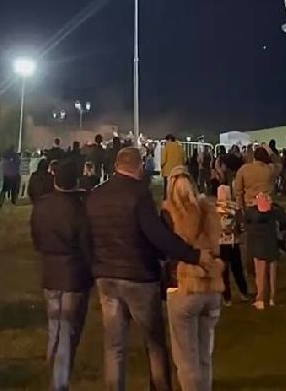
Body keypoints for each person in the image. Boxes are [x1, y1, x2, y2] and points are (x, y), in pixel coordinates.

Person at [87, 146, 213, 391]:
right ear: (138, 166)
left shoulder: (96, 195)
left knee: (114, 345)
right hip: (138, 278)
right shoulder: (138, 194)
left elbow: (87, 235)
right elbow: (157, 236)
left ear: (116, 165)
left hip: (106, 276)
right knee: (154, 343)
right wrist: (193, 255)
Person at [31, 159, 93, 390]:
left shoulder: (41, 206)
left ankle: (53, 367)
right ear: (75, 181)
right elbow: (87, 246)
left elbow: (36, 239)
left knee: (54, 327)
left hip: (50, 275)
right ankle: (58, 382)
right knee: (67, 331)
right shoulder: (80, 209)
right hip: (74, 278)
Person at [163, 168, 224, 391]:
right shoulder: (208, 209)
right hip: (212, 286)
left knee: (186, 360)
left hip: (185, 286)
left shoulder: (169, 212)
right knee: (204, 355)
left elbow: (166, 248)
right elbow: (217, 246)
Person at [245, 193, 286, 310]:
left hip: (258, 247)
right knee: (272, 274)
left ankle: (260, 299)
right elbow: (284, 219)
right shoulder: (274, 212)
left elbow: (244, 221)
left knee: (260, 274)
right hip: (272, 245)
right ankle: (272, 298)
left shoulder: (252, 213)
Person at [216, 183, 248, 303]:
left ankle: (227, 297)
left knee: (224, 272)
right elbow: (242, 226)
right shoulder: (236, 208)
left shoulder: (214, 209)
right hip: (234, 243)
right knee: (237, 269)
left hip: (221, 244)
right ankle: (244, 292)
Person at [233, 145, 276, 210]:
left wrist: (239, 207)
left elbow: (238, 191)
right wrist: (270, 154)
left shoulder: (244, 169)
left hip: (250, 204)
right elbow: (275, 163)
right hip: (267, 204)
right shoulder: (270, 169)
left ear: (254, 157)